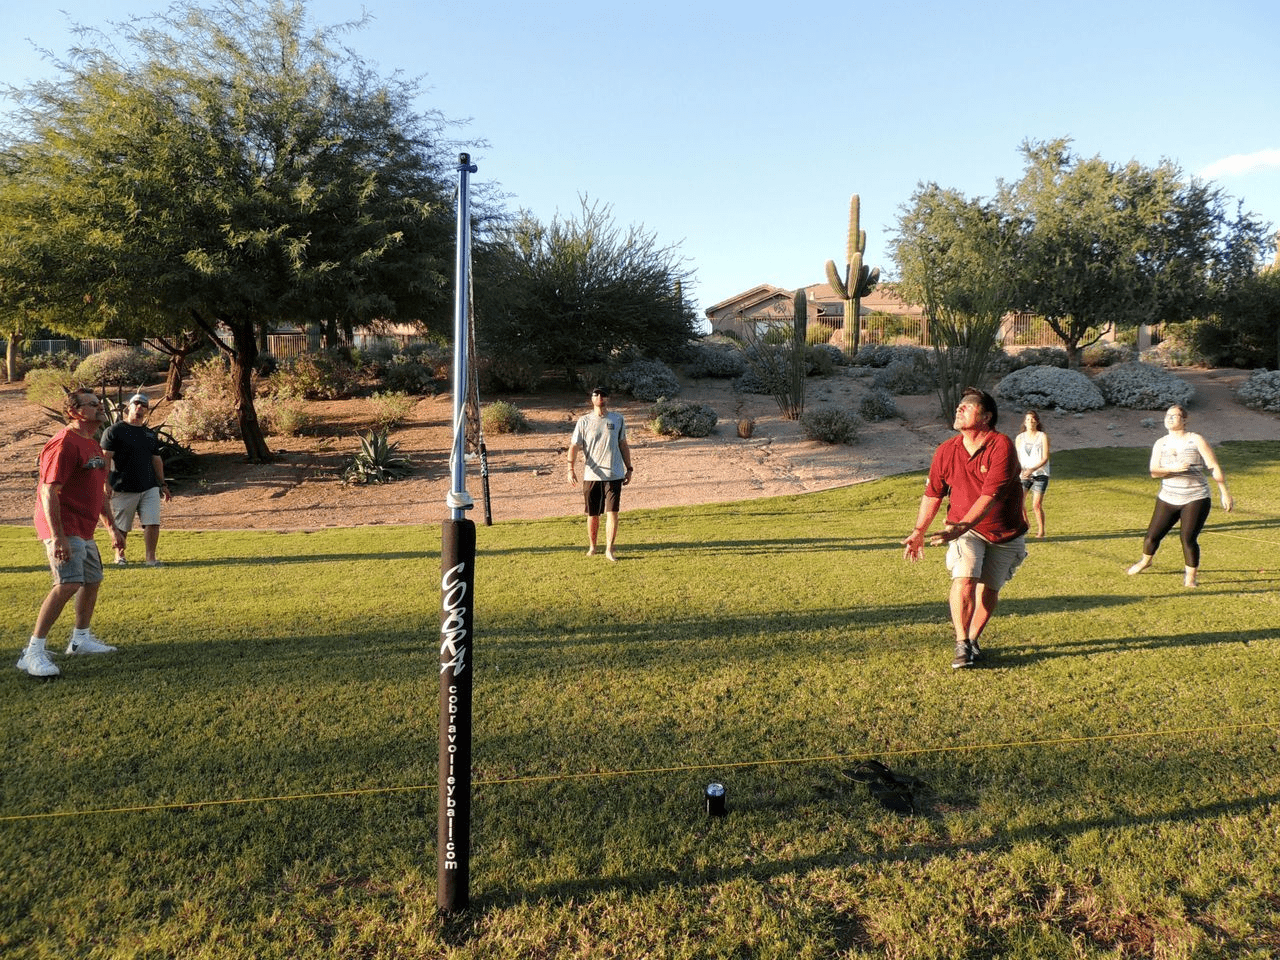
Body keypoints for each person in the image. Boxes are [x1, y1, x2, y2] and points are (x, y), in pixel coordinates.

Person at [902, 387, 1028, 669]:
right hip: (964, 528)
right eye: (959, 406)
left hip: (1005, 530)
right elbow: (933, 494)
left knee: (990, 588)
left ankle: (972, 640)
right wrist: (919, 530)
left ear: (986, 417)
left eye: (967, 406)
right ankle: (961, 643)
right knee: (965, 578)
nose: (959, 409)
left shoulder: (1001, 445)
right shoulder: (946, 451)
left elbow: (988, 495)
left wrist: (959, 527)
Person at [17, 389, 124, 678]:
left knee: (92, 580)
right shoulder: (63, 443)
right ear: (75, 412)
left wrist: (112, 527)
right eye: (92, 405)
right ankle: (33, 652)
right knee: (68, 583)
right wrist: (58, 536)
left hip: (85, 528)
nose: (100, 408)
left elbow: (99, 494)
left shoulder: (92, 445)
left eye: (100, 404)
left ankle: (80, 639)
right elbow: (48, 490)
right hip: (64, 526)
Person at [1127, 404, 1233, 588]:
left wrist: (1224, 493)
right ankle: (1146, 561)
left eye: (1174, 416)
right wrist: (1172, 469)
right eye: (1167, 415)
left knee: (1187, 538)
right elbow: (1153, 472)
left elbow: (1213, 466)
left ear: (1184, 420)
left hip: (1196, 497)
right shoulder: (1161, 443)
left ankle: (1190, 578)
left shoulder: (1196, 440)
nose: (1169, 419)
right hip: (1168, 497)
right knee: (1152, 536)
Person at [101, 392, 172, 566]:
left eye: (144, 406)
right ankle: (120, 556)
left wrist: (163, 484)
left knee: (153, 522)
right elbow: (105, 458)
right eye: (136, 404)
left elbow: (156, 460)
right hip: (123, 486)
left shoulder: (148, 434)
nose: (140, 408)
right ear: (128, 408)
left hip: (149, 487)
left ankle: (151, 559)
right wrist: (105, 482)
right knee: (122, 526)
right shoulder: (114, 431)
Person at [567, 386, 633, 561]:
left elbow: (623, 444)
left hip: (614, 474)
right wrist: (570, 468)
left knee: (613, 512)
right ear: (592, 399)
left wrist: (629, 468)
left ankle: (609, 549)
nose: (600, 397)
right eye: (596, 394)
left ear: (607, 398)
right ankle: (593, 547)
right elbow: (574, 446)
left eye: (603, 394)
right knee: (593, 514)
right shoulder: (584, 421)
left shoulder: (618, 419)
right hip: (591, 476)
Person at [1015, 410, 1051, 539]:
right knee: (1019, 502)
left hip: (1040, 473)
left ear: (1037, 421)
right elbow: (1017, 457)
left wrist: (1032, 469)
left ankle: (1041, 531)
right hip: (1024, 474)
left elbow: (1045, 457)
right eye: (1028, 419)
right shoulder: (1020, 438)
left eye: (1032, 419)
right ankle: (1026, 525)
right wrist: (1022, 471)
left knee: (1036, 504)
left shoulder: (1042, 436)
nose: (1030, 422)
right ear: (1025, 422)